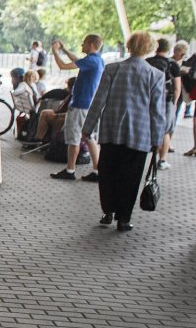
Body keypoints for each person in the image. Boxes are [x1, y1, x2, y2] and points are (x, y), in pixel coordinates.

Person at [81, 32, 166, 232]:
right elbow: (157, 110)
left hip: (111, 131)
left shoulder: (113, 69)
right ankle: (124, 218)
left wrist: (88, 127)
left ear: (129, 47)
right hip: (140, 135)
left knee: (108, 172)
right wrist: (157, 138)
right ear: (149, 49)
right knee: (131, 176)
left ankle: (108, 210)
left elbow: (98, 101)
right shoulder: (156, 75)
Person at [49, 34, 104, 182]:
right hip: (89, 105)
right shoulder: (98, 60)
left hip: (80, 104)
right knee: (89, 137)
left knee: (74, 138)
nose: (81, 45)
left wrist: (55, 51)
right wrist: (64, 49)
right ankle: (97, 170)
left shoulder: (91, 61)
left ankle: (70, 169)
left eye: (84, 43)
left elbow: (63, 66)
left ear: (91, 44)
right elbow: (76, 60)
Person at [145, 37, 182, 167]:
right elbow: (177, 88)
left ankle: (145, 156)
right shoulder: (173, 64)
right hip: (166, 101)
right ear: (168, 49)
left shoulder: (147, 62)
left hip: (148, 100)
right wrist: (174, 102)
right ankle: (162, 160)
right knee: (165, 131)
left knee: (147, 127)